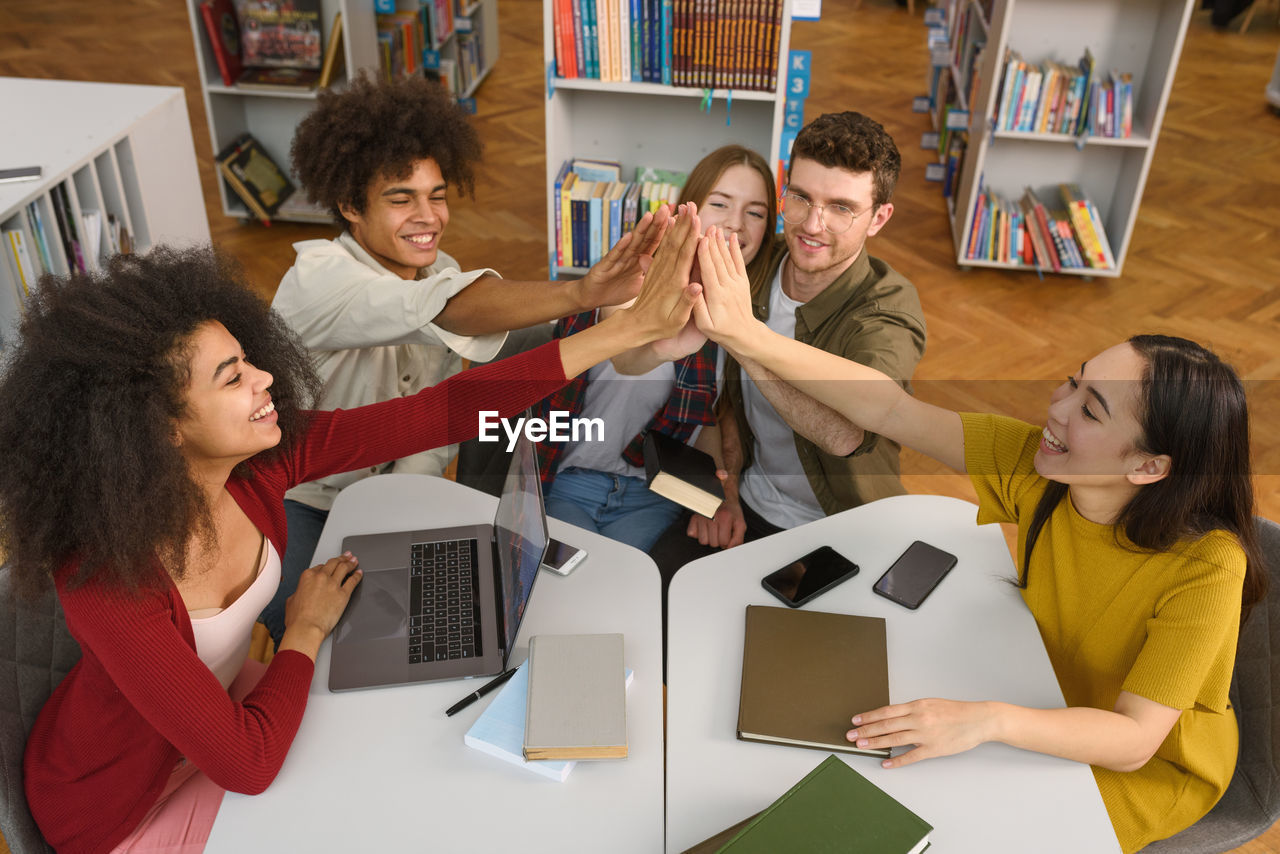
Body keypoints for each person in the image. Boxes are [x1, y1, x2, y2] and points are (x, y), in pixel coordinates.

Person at [0, 230, 701, 852]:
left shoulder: (257, 462)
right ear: (158, 426)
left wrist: (618, 332)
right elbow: (247, 765)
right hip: (119, 809)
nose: (267, 379)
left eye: (249, 359)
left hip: (221, 722)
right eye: (232, 377)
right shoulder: (107, 580)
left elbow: (440, 411)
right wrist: (301, 631)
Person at [691, 227, 1265, 852]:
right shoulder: (1038, 466)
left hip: (1137, 767)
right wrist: (747, 335)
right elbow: (887, 410)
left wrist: (988, 720)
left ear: (1150, 467)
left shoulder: (1209, 566)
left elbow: (1133, 741)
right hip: (1037, 681)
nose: (1056, 406)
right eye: (1073, 381)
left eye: (1092, 409)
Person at [264, 73, 668, 644]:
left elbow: (430, 427)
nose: (427, 216)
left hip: (386, 489)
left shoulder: (439, 266)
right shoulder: (318, 279)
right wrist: (583, 292)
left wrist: (404, 516)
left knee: (440, 621)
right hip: (299, 502)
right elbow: (439, 311)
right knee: (340, 642)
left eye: (437, 195)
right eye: (401, 199)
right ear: (350, 205)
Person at [643, 111, 927, 584]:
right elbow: (728, 400)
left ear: (879, 218)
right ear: (784, 192)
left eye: (841, 208)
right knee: (659, 587)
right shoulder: (757, 260)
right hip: (748, 504)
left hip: (845, 529)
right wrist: (727, 492)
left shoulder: (887, 312)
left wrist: (743, 336)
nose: (812, 226)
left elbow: (843, 436)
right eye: (801, 198)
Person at [534, 144, 777, 551]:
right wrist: (663, 344)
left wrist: (720, 497)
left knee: (633, 600)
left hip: (650, 496)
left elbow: (703, 418)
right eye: (721, 204)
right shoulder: (635, 276)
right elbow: (625, 355)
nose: (737, 225)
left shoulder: (735, 313)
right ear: (688, 212)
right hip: (569, 484)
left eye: (755, 212)